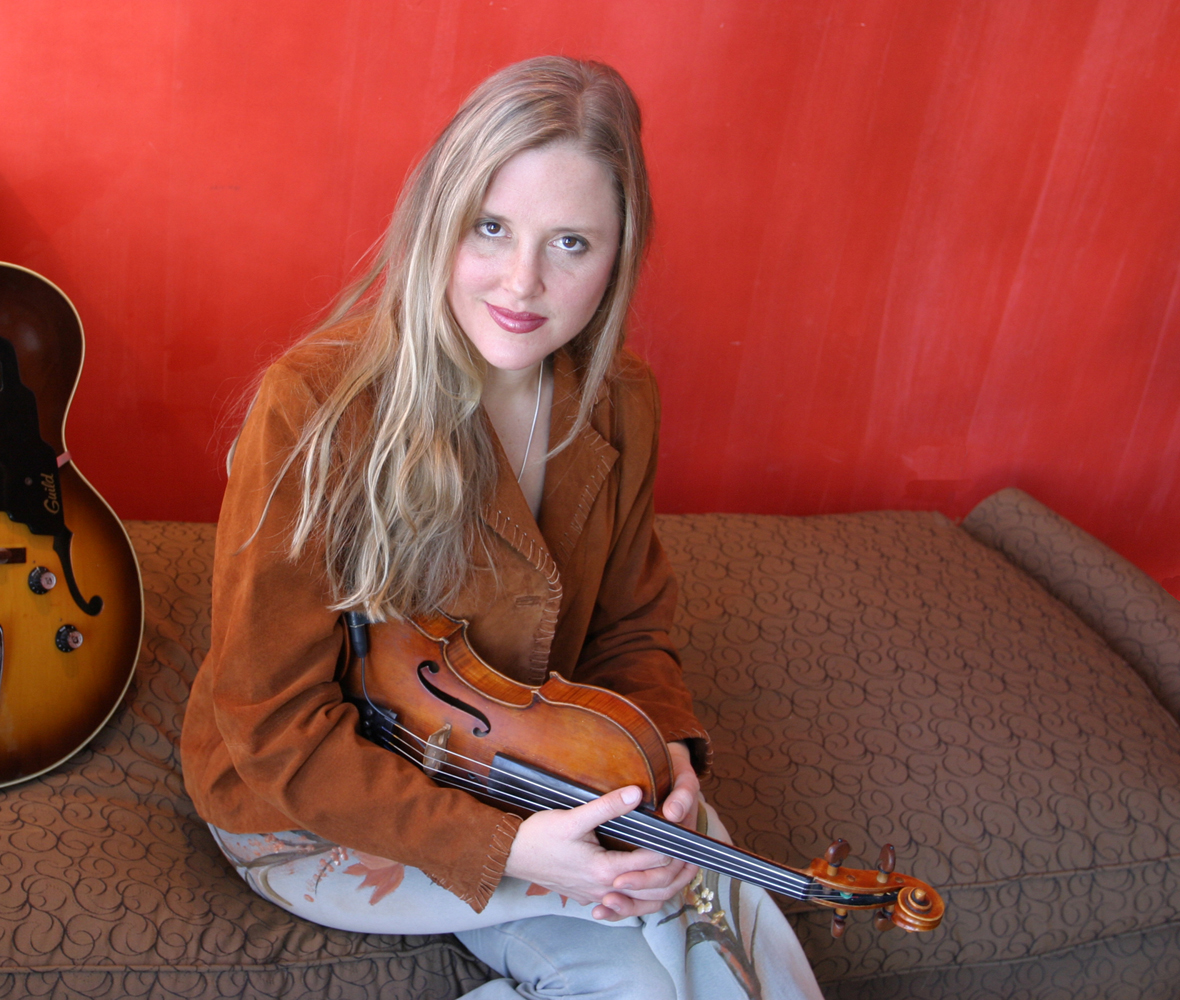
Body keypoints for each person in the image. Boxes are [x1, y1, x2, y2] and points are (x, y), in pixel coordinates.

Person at [181, 56, 823, 1000]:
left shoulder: (621, 400)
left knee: (730, 929)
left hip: (526, 762)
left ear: (618, 256)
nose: (523, 283)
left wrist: (671, 760)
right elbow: (272, 727)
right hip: (319, 800)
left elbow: (630, 631)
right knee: (645, 980)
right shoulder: (315, 404)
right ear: (438, 221)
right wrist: (511, 848)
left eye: (571, 243)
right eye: (491, 228)